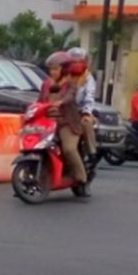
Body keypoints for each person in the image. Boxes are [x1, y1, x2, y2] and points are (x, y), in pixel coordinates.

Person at [49, 57, 88, 194]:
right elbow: (41, 99)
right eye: (51, 69)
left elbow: (70, 96)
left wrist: (60, 102)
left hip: (67, 122)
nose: (53, 72)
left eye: (56, 69)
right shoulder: (50, 85)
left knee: (69, 149)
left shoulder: (71, 85)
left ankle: (82, 177)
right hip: (49, 122)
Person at [67, 47, 99, 155]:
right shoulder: (65, 75)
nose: (76, 64)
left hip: (80, 111)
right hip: (64, 111)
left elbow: (89, 96)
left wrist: (86, 112)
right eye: (73, 61)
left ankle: (91, 153)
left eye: (79, 61)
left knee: (86, 123)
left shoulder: (88, 77)